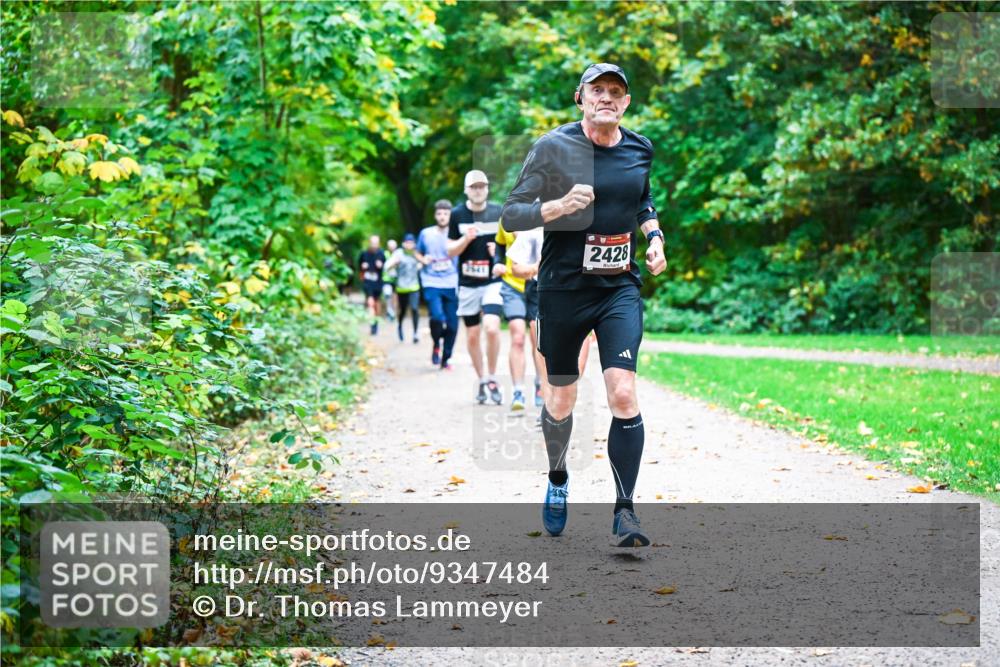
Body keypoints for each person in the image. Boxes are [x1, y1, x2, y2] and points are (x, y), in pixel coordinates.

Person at [501, 63, 667, 548]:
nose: (607, 98)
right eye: (598, 90)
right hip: (562, 289)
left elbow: (643, 200)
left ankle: (625, 511)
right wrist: (557, 207)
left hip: (618, 288)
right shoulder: (552, 147)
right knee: (560, 399)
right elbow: (511, 214)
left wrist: (654, 237)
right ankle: (557, 477)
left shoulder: (640, 148)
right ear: (581, 97)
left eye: (616, 91)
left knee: (623, 394)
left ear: (626, 102)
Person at [509, 226, 594, 427]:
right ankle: (549, 405)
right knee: (543, 348)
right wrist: (538, 267)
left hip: (579, 289)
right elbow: (516, 268)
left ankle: (564, 399)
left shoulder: (584, 223)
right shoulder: (533, 230)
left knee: (576, 358)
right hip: (541, 290)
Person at [447, 170, 504, 405]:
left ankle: (492, 377)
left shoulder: (498, 211)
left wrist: (497, 253)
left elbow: (511, 244)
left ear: (487, 189)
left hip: (493, 281)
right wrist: (466, 239)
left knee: (492, 328)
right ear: (466, 190)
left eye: (482, 186)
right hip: (468, 284)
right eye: (474, 187)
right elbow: (450, 250)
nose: (478, 190)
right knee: (472, 335)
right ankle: (481, 379)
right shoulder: (457, 214)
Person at [493, 221, 534, 412]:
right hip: (512, 284)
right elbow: (500, 244)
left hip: (538, 284)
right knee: (517, 337)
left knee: (538, 339)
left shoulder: (545, 214)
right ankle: (518, 391)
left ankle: (541, 386)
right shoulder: (507, 218)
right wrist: (498, 262)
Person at [416, 200, 459, 369]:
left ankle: (445, 358)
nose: (442, 217)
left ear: (450, 216)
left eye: (446, 214)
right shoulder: (426, 233)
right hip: (431, 281)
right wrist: (422, 259)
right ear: (435, 215)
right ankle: (436, 343)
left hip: (451, 282)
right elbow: (417, 252)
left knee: (453, 325)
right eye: (439, 213)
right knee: (437, 318)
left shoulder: (457, 234)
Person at [385, 234, 421, 343]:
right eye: (407, 242)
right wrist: (394, 264)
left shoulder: (416, 253)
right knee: (403, 310)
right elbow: (387, 267)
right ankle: (400, 325)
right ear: (403, 244)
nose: (409, 245)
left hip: (414, 287)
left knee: (414, 309)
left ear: (414, 244)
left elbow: (424, 263)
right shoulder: (398, 253)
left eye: (411, 243)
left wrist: (420, 265)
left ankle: (415, 333)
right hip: (402, 288)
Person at [358, 235, 386, 336]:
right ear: (369, 243)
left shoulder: (381, 253)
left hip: (377, 282)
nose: (374, 245)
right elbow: (359, 267)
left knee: (376, 303)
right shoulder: (364, 254)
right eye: (373, 243)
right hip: (367, 281)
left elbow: (385, 267)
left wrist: (381, 265)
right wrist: (363, 267)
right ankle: (372, 324)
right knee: (370, 302)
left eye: (376, 243)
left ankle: (375, 323)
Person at [382, 239, 398, 322]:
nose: (392, 248)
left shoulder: (398, 254)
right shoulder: (384, 254)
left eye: (394, 246)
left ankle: (394, 313)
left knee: (395, 297)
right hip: (386, 279)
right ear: (388, 247)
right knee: (387, 296)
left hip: (396, 279)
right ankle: (389, 312)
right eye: (391, 246)